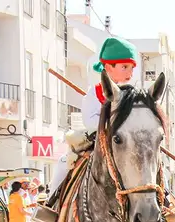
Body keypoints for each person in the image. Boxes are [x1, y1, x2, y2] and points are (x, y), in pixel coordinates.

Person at [48, 36, 138, 200]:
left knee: (151, 160)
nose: (130, 72)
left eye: (132, 68)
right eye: (125, 66)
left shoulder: (135, 96)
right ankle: (51, 206)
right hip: (98, 142)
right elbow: (89, 120)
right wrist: (113, 128)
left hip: (129, 144)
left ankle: (166, 201)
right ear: (108, 67)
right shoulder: (95, 93)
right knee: (63, 163)